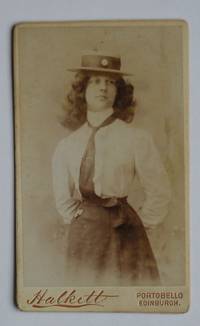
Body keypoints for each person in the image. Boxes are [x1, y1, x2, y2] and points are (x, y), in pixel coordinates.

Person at [52, 52, 171, 286]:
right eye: (95, 81)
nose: (103, 88)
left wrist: (137, 224)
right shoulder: (68, 145)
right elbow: (63, 198)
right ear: (82, 90)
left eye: (110, 83)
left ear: (118, 92)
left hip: (125, 231)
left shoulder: (136, 138)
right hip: (84, 237)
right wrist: (81, 220)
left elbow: (160, 190)